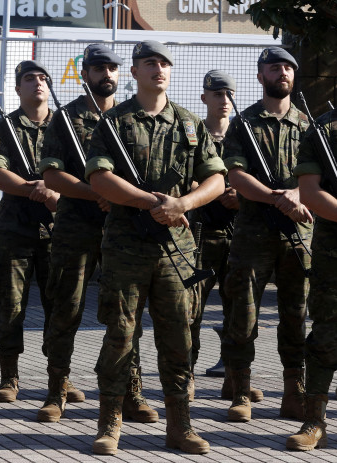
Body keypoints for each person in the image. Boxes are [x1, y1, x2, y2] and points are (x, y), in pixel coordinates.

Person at [86, 40, 225, 455]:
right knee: (120, 335)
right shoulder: (114, 122)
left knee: (178, 338)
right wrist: (153, 202)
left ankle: (179, 424)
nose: (158, 69)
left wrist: (182, 203)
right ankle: (110, 422)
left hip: (176, 250)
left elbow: (216, 180)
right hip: (127, 246)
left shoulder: (189, 123)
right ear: (134, 72)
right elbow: (99, 179)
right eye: (150, 63)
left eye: (164, 63)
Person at [39, 44, 157, 425]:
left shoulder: (130, 118)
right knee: (66, 308)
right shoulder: (66, 118)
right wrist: (97, 192)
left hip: (124, 228)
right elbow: (53, 175)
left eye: (112, 68)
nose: (106, 74)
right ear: (85, 73)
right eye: (98, 68)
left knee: (126, 311)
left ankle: (130, 391)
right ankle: (56, 390)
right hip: (77, 226)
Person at [221, 47, 312, 423]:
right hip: (253, 234)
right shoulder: (242, 125)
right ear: (261, 77)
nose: (282, 72)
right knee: (243, 314)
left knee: (296, 315)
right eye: (274, 67)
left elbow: (321, 179)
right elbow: (236, 175)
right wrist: (277, 197)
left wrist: (298, 195)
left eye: (288, 67)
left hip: (299, 233)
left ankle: (294, 392)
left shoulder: (310, 126)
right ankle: (240, 392)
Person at [189, 70, 263, 403]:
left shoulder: (245, 134)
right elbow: (179, 177)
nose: (223, 100)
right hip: (201, 233)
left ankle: (235, 379)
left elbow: (259, 177)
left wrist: (240, 196)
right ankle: (185, 375)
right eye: (217, 94)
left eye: (229, 94)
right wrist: (209, 191)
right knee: (192, 310)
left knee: (239, 310)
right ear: (204, 97)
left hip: (238, 232)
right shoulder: (192, 134)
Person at [0, 60, 58, 405]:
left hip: (57, 231)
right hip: (16, 228)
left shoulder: (65, 126)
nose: (38, 84)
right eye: (29, 79)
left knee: (59, 306)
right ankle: (9, 376)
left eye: (43, 78)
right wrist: (37, 189)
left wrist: (55, 193)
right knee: (11, 304)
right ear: (18, 88)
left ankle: (59, 378)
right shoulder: (5, 127)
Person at [288, 101, 337, 451]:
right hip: (334, 252)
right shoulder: (323, 129)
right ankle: (315, 420)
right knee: (326, 334)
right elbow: (310, 192)